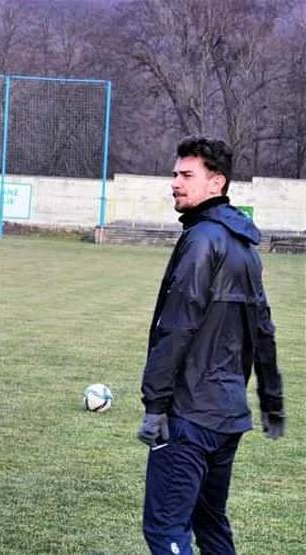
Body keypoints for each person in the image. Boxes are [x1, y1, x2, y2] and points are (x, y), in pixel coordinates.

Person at [137, 136, 285, 554]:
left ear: (216, 182)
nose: (175, 183)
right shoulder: (245, 248)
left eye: (186, 175)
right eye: (174, 174)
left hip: (188, 414)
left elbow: (176, 328)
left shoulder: (202, 240)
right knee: (210, 523)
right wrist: (272, 401)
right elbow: (265, 331)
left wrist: (154, 406)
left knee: (166, 530)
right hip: (226, 415)